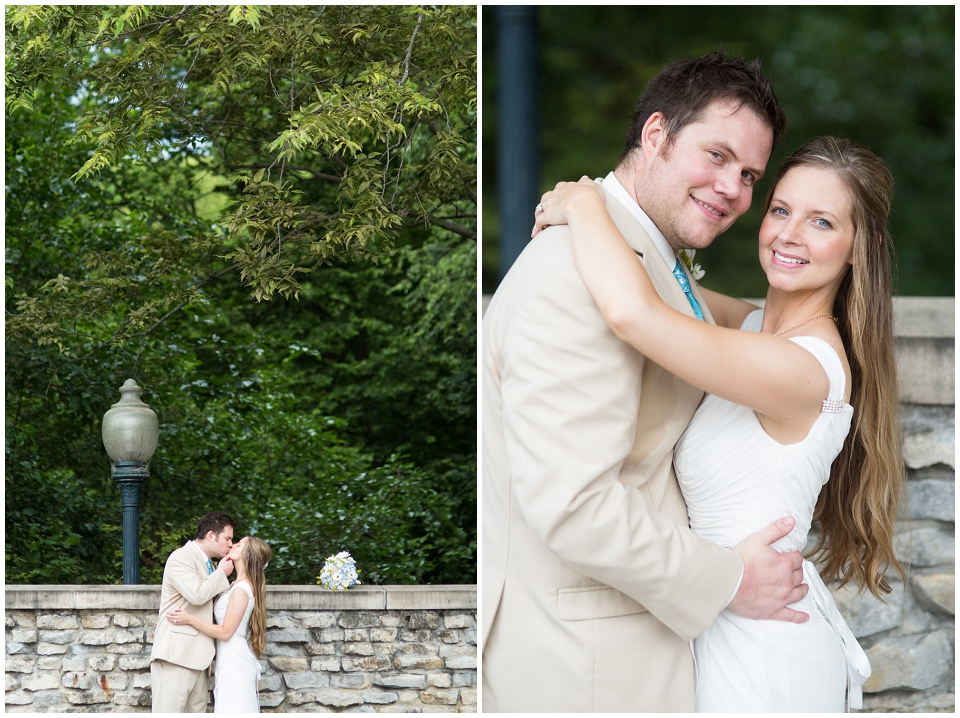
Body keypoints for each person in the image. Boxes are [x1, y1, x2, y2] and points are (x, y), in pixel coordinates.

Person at [482, 50, 809, 713]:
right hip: (586, 671)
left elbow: (730, 323)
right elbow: (574, 505)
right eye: (716, 156)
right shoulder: (574, 280)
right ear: (656, 135)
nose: (733, 190)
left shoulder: (644, 260)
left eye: (748, 175)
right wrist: (730, 580)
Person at [531, 135, 905, 711]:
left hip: (765, 650)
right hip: (718, 616)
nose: (788, 234)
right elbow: (656, 280)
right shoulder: (753, 325)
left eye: (822, 222)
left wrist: (586, 206)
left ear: (861, 247)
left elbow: (636, 312)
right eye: (781, 210)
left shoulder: (803, 367)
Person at [168, 536, 273, 713]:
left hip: (235, 658)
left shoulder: (241, 590)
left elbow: (226, 632)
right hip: (228, 655)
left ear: (247, 555)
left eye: (239, 545)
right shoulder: (235, 585)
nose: (232, 544)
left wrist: (190, 619)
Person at [150, 511, 236, 713]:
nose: (230, 544)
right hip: (176, 656)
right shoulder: (181, 557)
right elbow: (196, 594)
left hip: (201, 660)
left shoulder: (210, 566)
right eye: (227, 538)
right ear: (210, 535)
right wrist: (221, 573)